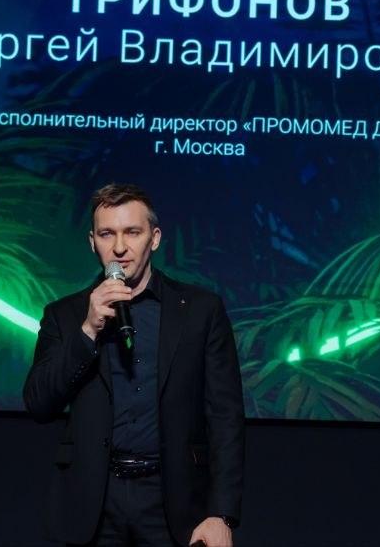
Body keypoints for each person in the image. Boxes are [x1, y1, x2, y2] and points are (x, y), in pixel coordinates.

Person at [24, 183, 244, 547]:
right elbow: (38, 403)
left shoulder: (200, 311)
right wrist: (88, 329)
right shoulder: (65, 316)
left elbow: (225, 417)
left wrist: (221, 513)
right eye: (107, 234)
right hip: (94, 503)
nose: (119, 247)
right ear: (92, 242)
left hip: (171, 501)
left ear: (154, 239)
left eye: (132, 232)